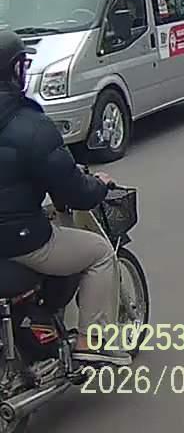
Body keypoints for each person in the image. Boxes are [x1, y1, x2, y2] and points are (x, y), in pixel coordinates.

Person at [0, 31, 129, 367]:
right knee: (99, 253)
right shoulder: (31, 125)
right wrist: (98, 186)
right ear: (16, 70)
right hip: (21, 241)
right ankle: (92, 341)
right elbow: (74, 192)